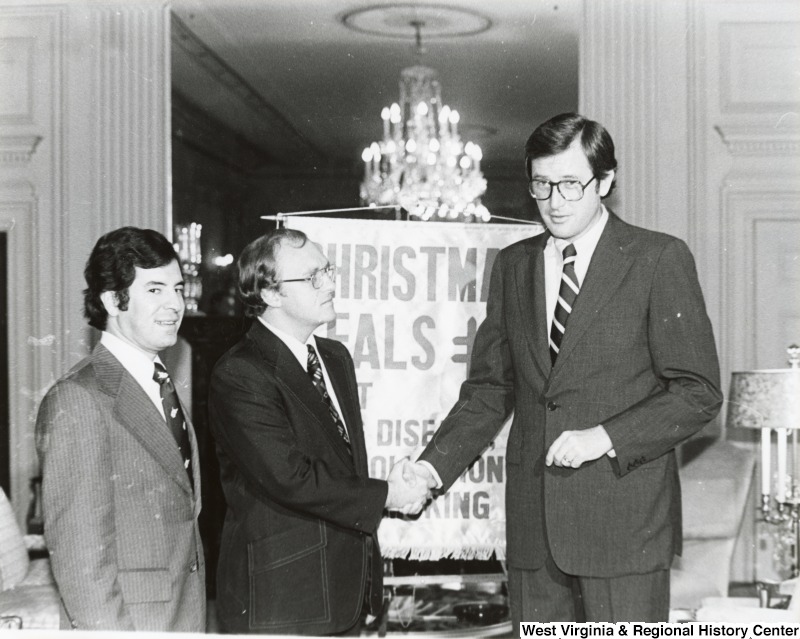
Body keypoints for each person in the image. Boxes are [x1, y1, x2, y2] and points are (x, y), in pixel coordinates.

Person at [413, 112, 722, 623]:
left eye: (571, 184)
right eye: (541, 184)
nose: (555, 201)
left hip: (625, 525)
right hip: (534, 528)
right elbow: (491, 389)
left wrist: (604, 436)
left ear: (605, 181)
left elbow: (698, 393)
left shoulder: (657, 258)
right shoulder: (513, 266)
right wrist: (431, 468)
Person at [208, 229, 428, 635]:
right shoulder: (240, 373)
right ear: (270, 294)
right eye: (313, 277)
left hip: (344, 592)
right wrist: (389, 495)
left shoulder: (334, 357)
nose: (329, 283)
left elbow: (342, 465)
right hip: (285, 599)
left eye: (328, 270)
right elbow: (291, 478)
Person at [35, 227, 206, 631]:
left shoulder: (158, 382)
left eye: (179, 289)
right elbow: (81, 563)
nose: (175, 304)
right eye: (155, 290)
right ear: (113, 300)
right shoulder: (78, 398)